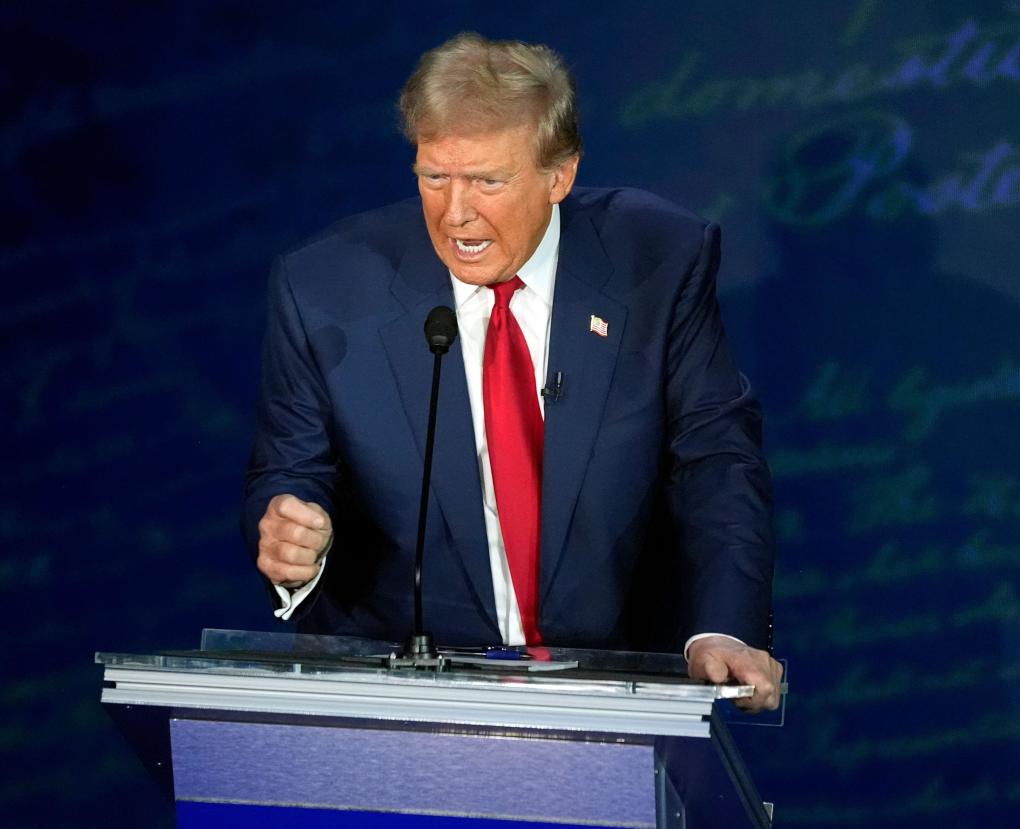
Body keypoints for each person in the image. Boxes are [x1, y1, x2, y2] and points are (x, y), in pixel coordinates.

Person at [243, 32, 782, 710]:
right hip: (402, 700)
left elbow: (716, 458)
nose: (455, 212)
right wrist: (292, 536)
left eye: (488, 182)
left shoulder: (659, 261)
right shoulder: (323, 288)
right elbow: (288, 471)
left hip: (612, 689)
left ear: (560, 175)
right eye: (434, 177)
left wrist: (722, 628)